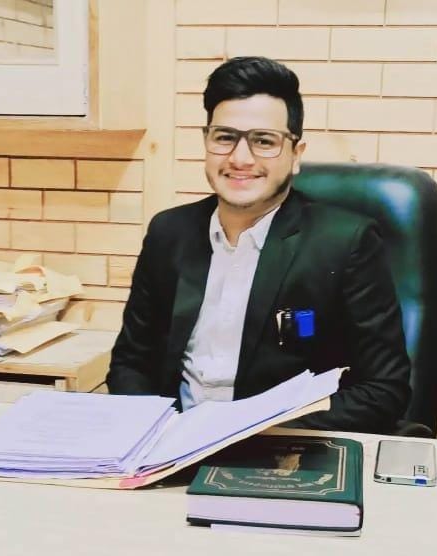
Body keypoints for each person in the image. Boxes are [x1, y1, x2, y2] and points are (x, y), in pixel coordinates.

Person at [107, 56, 411, 434]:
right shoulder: (169, 233)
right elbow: (130, 363)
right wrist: (153, 432)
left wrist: (246, 429)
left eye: (264, 141)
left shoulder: (346, 243)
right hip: (171, 441)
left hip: (277, 445)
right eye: (224, 137)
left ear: (295, 155)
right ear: (206, 142)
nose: (240, 158)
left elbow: (383, 390)